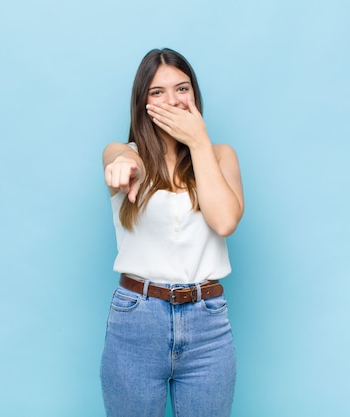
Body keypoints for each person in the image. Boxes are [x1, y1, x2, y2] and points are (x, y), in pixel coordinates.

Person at [100, 48, 244, 417]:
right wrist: (122, 166)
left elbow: (225, 221)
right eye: (157, 92)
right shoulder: (124, 154)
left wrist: (198, 141)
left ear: (194, 94)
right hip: (137, 320)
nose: (173, 100)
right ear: (142, 101)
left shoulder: (221, 156)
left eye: (182, 89)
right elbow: (120, 159)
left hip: (207, 323)